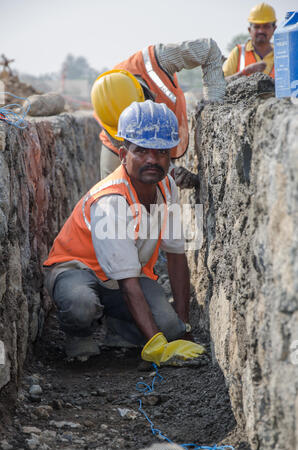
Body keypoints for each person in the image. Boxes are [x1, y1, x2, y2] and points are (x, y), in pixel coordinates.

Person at [43, 100, 205, 365]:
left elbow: (177, 255)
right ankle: (79, 333)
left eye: (161, 151)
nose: (152, 159)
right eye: (141, 151)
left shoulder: (167, 188)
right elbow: (128, 283)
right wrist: (158, 348)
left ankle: (118, 328)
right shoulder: (111, 201)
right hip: (80, 272)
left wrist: (183, 328)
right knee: (80, 303)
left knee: (171, 327)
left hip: (124, 277)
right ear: (122, 155)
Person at [91, 38, 226, 187]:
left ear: (145, 96)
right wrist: (172, 173)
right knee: (115, 197)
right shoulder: (110, 116)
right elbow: (139, 158)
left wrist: (214, 105)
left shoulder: (158, 61)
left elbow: (208, 49)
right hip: (113, 149)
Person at [223, 3, 277, 79]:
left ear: (274, 29)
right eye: (257, 27)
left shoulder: (282, 54)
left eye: (266, 26)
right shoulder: (238, 52)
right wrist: (245, 72)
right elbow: (221, 83)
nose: (261, 31)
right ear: (249, 30)